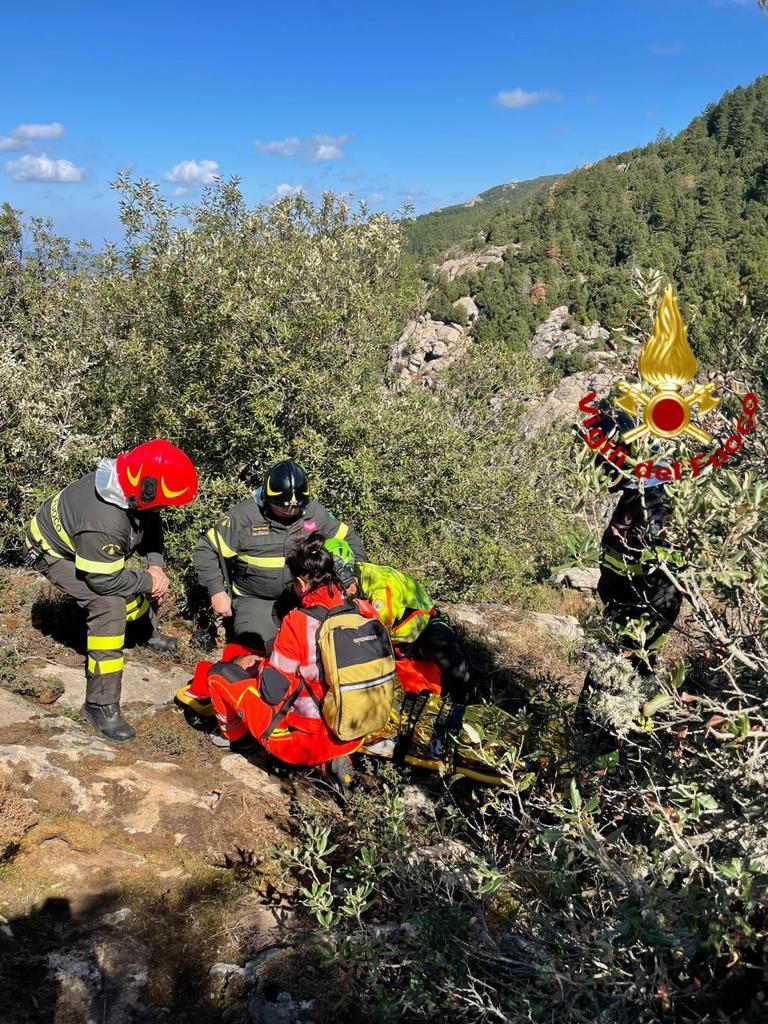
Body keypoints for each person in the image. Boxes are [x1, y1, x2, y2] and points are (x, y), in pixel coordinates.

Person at [25, 440, 198, 741]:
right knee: (108, 605)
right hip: (51, 552)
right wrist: (148, 581)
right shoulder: (103, 519)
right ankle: (99, 705)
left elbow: (151, 520)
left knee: (128, 584)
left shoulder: (128, 484)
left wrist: (155, 566)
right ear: (142, 488)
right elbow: (103, 581)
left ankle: (145, 632)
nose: (164, 508)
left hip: (85, 542)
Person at [203, 533, 385, 792]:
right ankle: (333, 759)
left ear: (301, 582)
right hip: (356, 730)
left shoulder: (298, 621)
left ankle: (240, 742)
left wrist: (258, 665)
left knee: (219, 674)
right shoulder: (364, 609)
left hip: (301, 744)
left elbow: (271, 691)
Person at [193, 460, 366, 653]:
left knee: (328, 645)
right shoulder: (243, 517)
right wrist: (216, 591)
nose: (290, 511)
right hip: (257, 600)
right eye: (283, 506)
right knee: (264, 652)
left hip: (306, 597)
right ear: (268, 498)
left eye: (296, 507)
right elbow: (207, 548)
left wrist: (353, 576)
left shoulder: (315, 513)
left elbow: (349, 539)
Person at [323, 537, 473, 700]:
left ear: (350, 572)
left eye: (343, 586)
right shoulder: (355, 575)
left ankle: (465, 699)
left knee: (456, 672)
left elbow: (377, 634)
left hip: (423, 629)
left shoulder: (381, 585)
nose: (344, 592)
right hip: (397, 639)